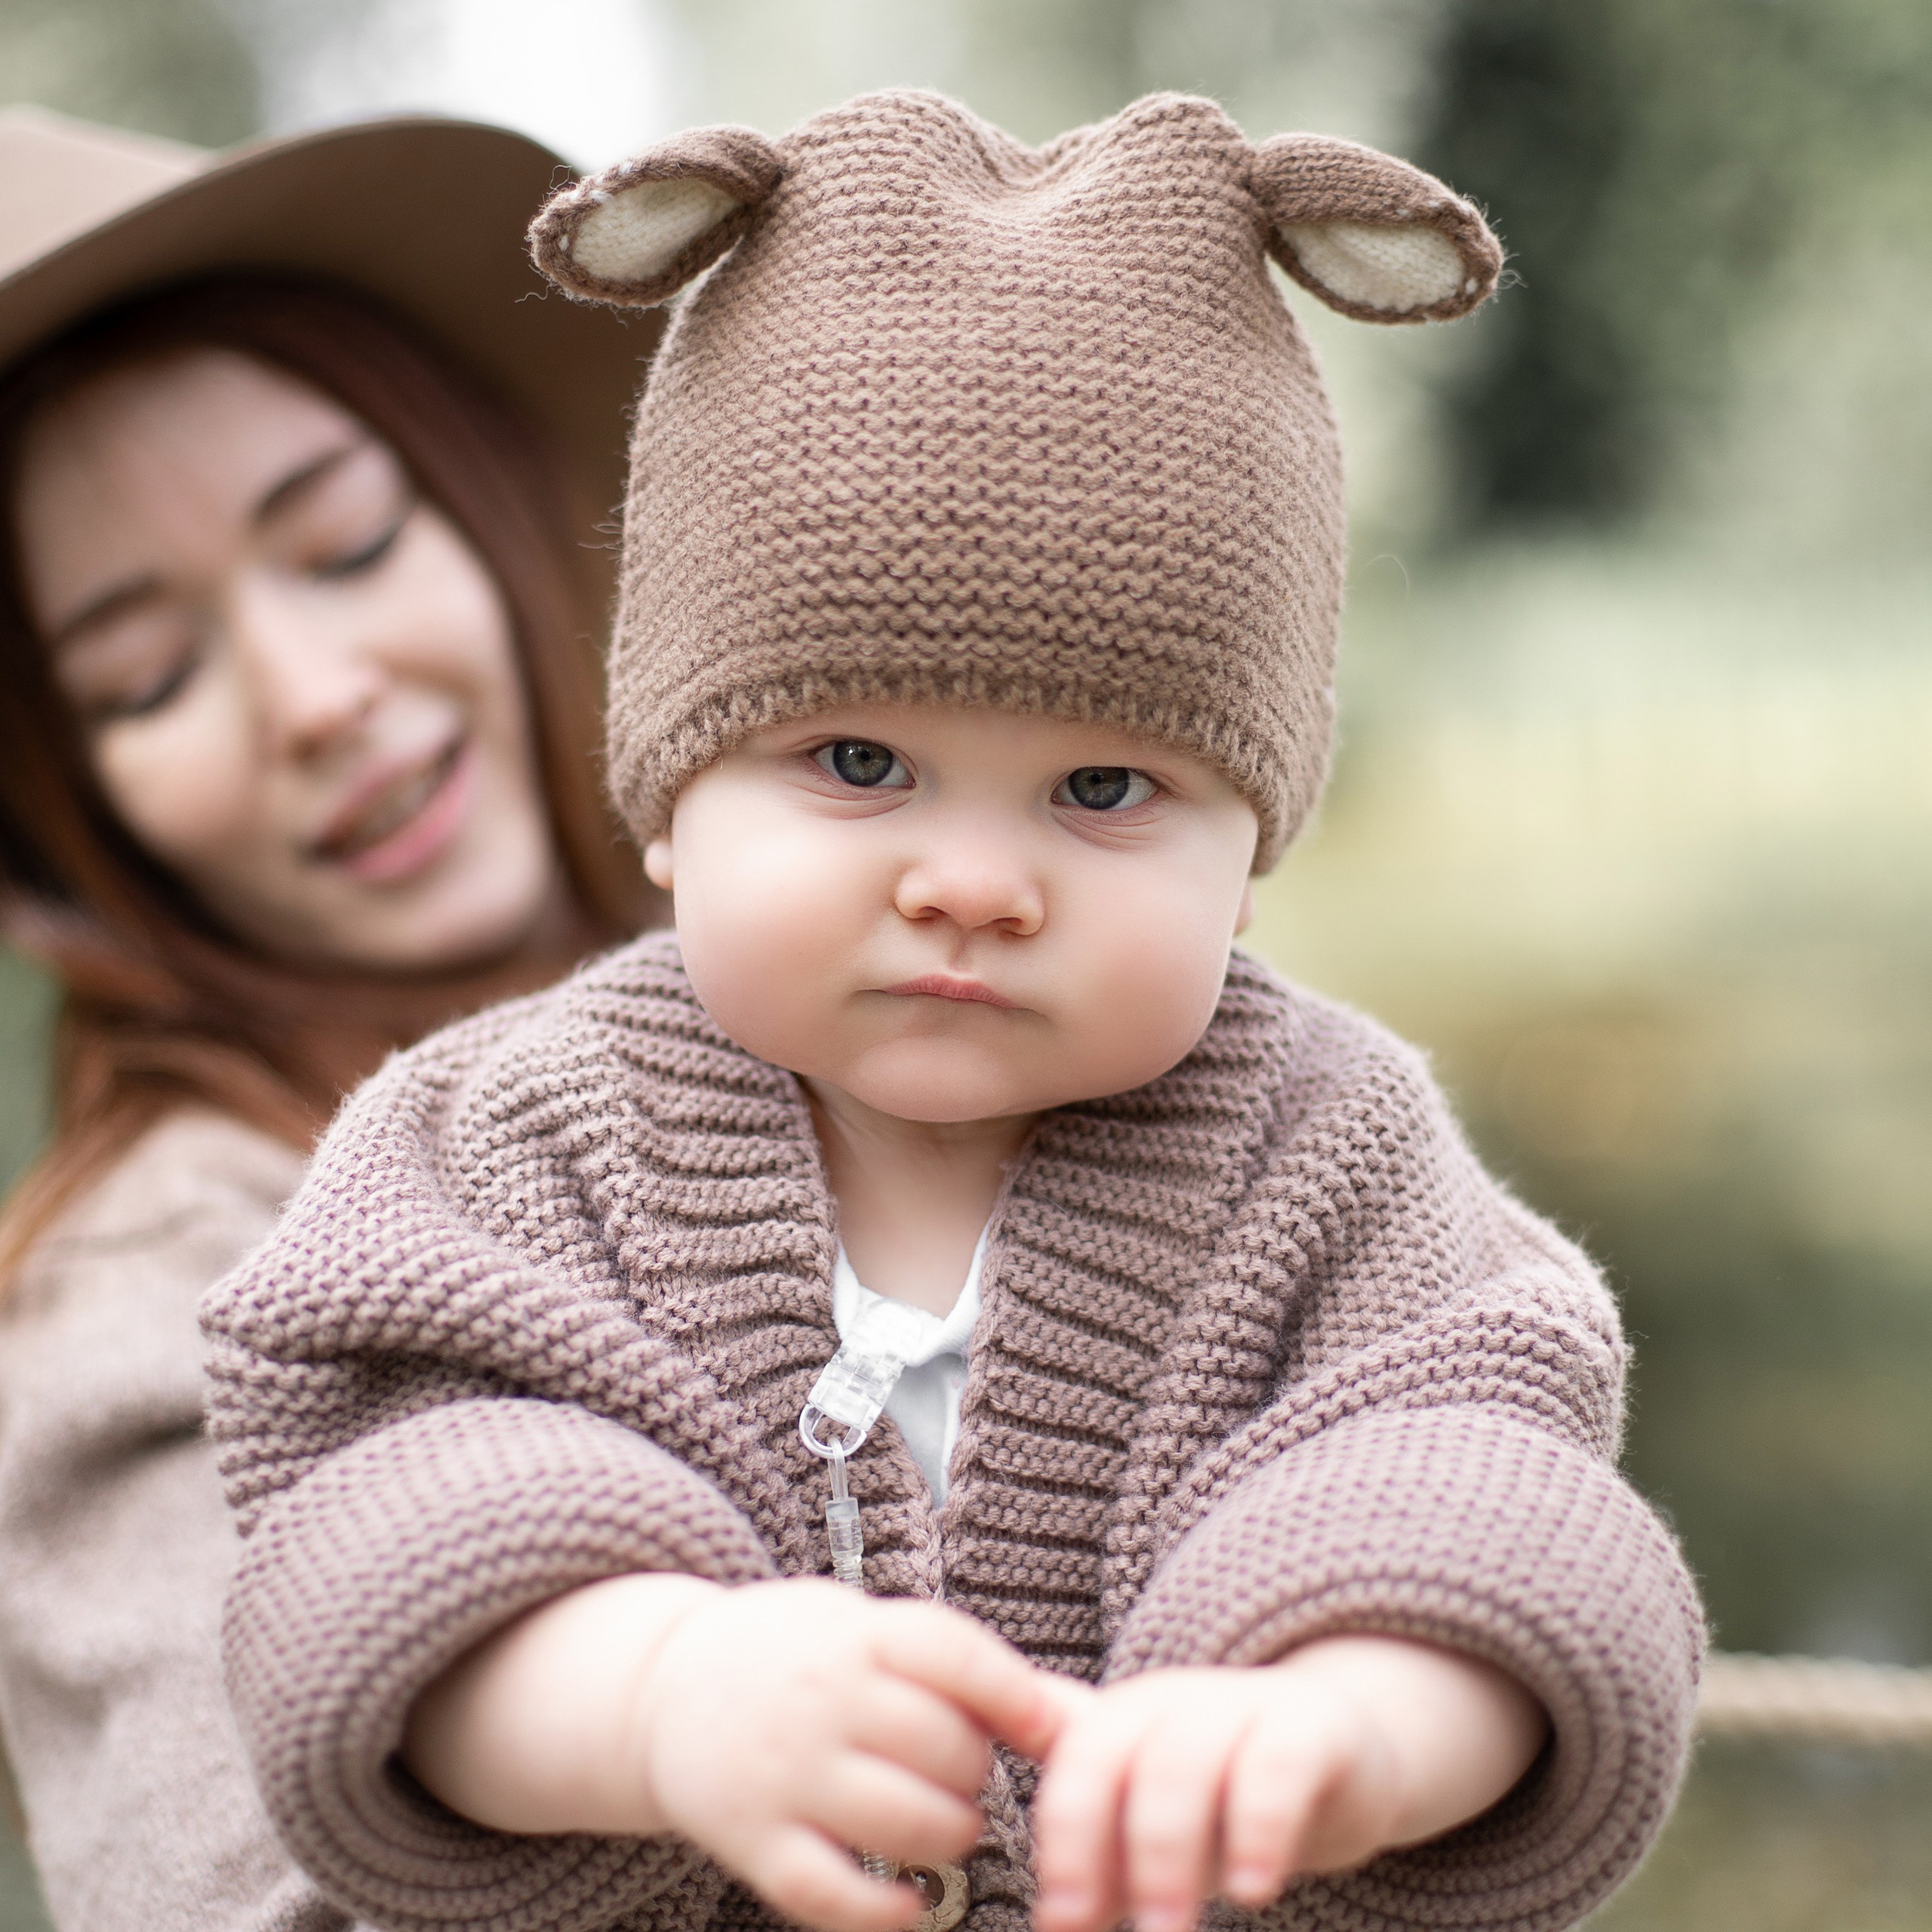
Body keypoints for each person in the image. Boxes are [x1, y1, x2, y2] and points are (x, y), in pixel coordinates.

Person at [203, 91, 1705, 1932]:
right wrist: (655, 1691)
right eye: (856, 759)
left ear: (1249, 857)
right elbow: (364, 1540)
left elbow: (1491, 1486)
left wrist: (1352, 1717)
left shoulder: (1331, 1148)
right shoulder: (508, 1134)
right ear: (668, 799)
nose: (972, 882)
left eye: (1101, 792)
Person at [0, 106, 665, 1930]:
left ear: (495, 502)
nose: (311, 695)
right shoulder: (154, 1307)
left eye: (348, 538)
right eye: (145, 676)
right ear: (55, 828)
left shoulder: (873, 1008)